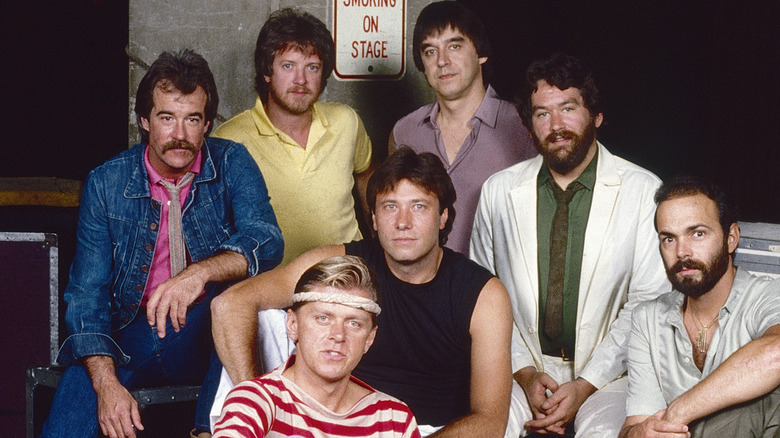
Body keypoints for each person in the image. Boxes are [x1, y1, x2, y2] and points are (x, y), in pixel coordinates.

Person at [40, 50, 283, 438]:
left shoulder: (232, 161)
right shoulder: (106, 183)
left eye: (193, 119)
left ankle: (209, 431)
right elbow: (88, 296)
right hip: (130, 332)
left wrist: (198, 274)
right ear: (144, 121)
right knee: (74, 407)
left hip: (206, 330)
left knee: (233, 298)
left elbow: (267, 239)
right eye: (167, 118)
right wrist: (105, 383)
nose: (180, 135)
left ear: (206, 124)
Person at [212, 147, 517, 437]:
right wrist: (259, 406)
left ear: (443, 217)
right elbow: (231, 303)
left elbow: (490, 421)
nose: (402, 222)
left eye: (419, 206)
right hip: (333, 423)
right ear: (373, 219)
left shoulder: (483, 294)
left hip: (431, 432)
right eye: (390, 206)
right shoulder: (342, 264)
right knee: (264, 319)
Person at [470, 53, 668, 436]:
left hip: (613, 374)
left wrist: (586, 384)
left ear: (596, 115)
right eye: (542, 114)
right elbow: (480, 294)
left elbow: (648, 304)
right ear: (529, 127)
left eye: (568, 108)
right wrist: (525, 374)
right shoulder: (498, 191)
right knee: (490, 430)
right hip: (518, 367)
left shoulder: (645, 191)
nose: (556, 125)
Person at [620, 176, 780, 438]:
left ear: (731, 238)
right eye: (669, 239)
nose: (682, 252)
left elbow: (777, 352)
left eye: (697, 233)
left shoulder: (768, 293)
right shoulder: (647, 318)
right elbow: (633, 424)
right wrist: (641, 433)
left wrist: (679, 412)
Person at [213, 7, 373, 266]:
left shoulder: (347, 121)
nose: (301, 80)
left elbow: (367, 175)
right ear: (267, 72)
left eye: (312, 67)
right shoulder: (229, 139)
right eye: (288, 66)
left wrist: (377, 241)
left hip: (348, 277)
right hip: (269, 287)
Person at [212, 255, 421, 437]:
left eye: (354, 323)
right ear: (293, 324)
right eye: (323, 318)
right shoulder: (256, 402)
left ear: (369, 338)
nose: (338, 335)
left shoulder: (394, 420)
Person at [389, 1, 535, 255]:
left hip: (498, 288)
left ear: (481, 53)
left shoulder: (524, 128)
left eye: (454, 46)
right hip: (421, 287)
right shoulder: (404, 132)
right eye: (430, 51)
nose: (442, 61)